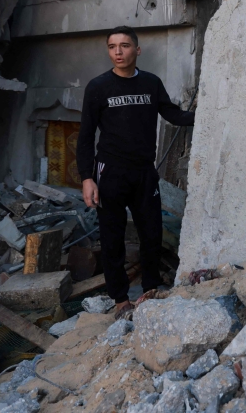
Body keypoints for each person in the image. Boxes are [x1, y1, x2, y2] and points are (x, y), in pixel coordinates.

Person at [76, 25, 195, 319]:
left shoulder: (151, 84)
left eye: (125, 45)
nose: (118, 51)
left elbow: (172, 114)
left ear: (137, 50)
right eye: (113, 46)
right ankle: (120, 300)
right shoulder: (98, 87)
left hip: (143, 173)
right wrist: (87, 178)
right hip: (110, 173)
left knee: (151, 233)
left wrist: (209, 113)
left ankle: (151, 287)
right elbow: (86, 135)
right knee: (112, 238)